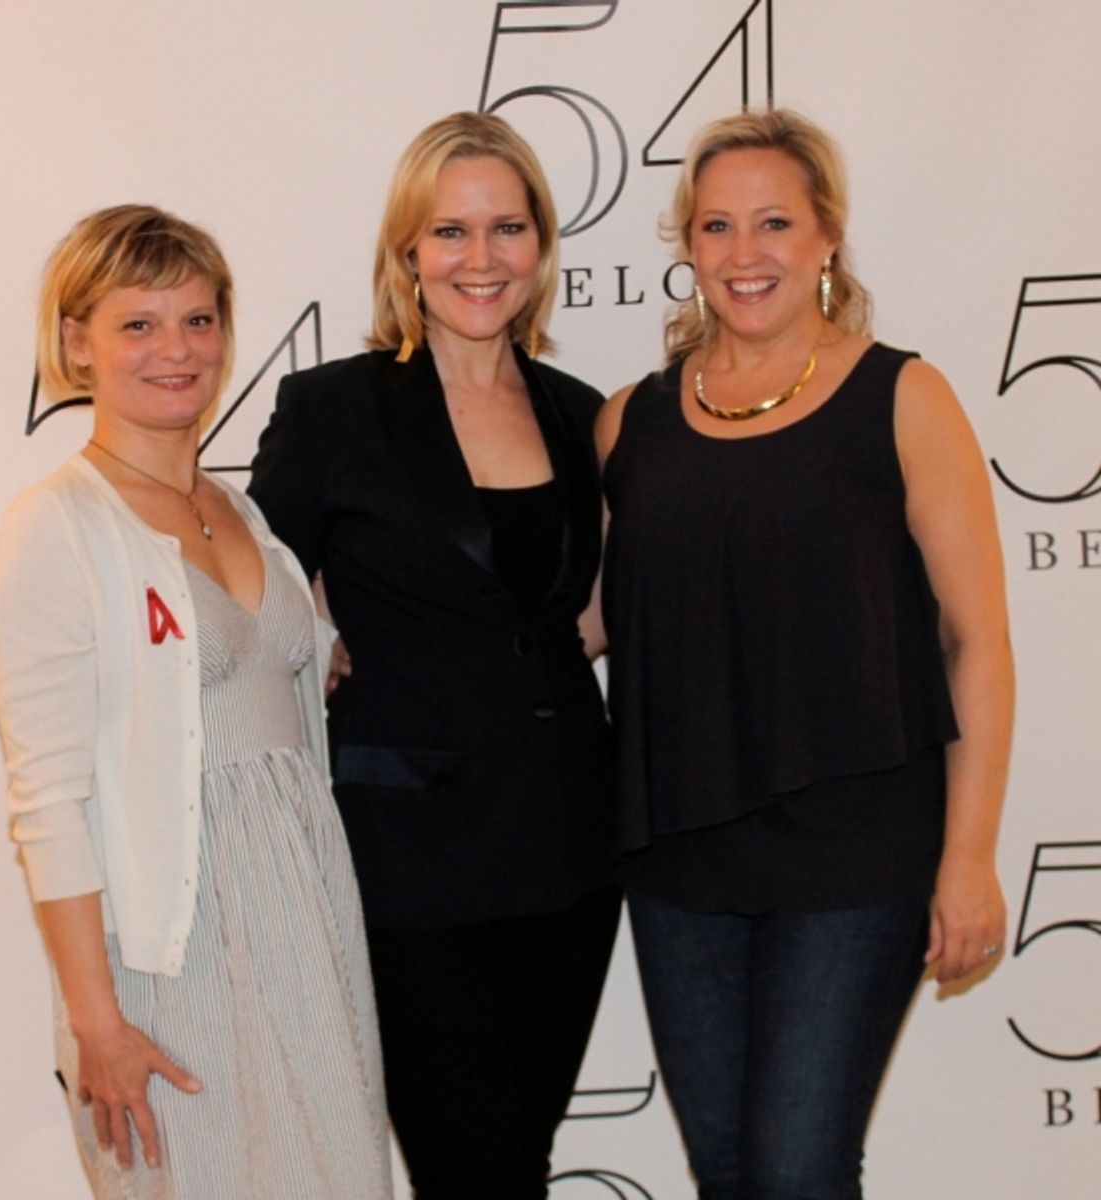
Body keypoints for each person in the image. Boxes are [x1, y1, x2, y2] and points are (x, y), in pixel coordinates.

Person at [596, 109, 1014, 1199]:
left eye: (774, 222)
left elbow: (977, 641)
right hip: (681, 855)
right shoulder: (627, 424)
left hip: (857, 850)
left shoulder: (904, 398)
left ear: (827, 236)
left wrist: (967, 858)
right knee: (729, 1170)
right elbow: (591, 620)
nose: (745, 255)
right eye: (718, 226)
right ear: (687, 244)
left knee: (797, 1168)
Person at [0, 205, 391, 1200]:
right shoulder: (56, 531)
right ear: (77, 342)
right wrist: (97, 1018)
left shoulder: (242, 510)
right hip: (173, 954)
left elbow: (278, 677)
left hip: (307, 929)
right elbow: (47, 803)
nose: (177, 350)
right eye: (138, 324)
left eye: (198, 321)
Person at [248, 112, 621, 1199]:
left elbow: (582, 617)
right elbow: (253, 591)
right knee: (475, 1170)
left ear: (542, 246)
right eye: (449, 231)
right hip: (407, 855)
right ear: (407, 251)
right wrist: (313, 637)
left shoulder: (580, 414)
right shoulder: (333, 410)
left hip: (566, 843)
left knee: (523, 1162)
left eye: (507, 227)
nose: (480, 258)